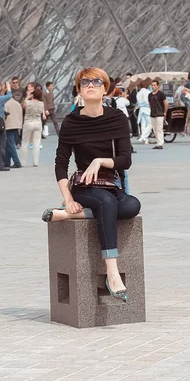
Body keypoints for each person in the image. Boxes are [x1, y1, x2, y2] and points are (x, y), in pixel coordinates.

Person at [43, 68, 141, 302]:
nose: (91, 85)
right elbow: (60, 163)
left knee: (132, 206)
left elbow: (125, 160)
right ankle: (112, 271)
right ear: (79, 89)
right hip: (84, 188)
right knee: (106, 203)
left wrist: (101, 161)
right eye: (84, 82)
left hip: (110, 184)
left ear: (105, 88)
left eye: (97, 82)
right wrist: (69, 199)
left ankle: (71, 215)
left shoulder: (117, 118)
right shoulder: (72, 122)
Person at [20, 85, 45, 167]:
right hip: (38, 123)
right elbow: (42, 113)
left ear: (33, 95)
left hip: (28, 122)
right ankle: (36, 162)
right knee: (36, 143)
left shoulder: (28, 102)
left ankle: (23, 162)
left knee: (25, 143)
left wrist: (27, 97)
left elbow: (23, 106)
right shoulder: (41, 104)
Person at [148, 79, 168, 149]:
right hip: (153, 114)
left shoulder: (161, 94)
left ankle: (160, 143)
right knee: (155, 129)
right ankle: (158, 142)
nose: (153, 87)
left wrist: (165, 112)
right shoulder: (149, 95)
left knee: (159, 128)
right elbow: (150, 103)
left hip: (160, 113)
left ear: (158, 86)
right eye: (152, 85)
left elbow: (165, 103)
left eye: (154, 85)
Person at [4, 96, 23, 168]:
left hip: (9, 125)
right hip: (16, 124)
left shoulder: (6, 104)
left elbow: (4, 114)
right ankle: (6, 162)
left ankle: (17, 162)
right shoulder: (17, 103)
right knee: (9, 144)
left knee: (10, 143)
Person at [136, 79, 151, 144]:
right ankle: (143, 137)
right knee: (150, 124)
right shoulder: (148, 92)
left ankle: (145, 139)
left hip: (141, 109)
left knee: (143, 124)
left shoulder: (138, 93)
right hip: (147, 108)